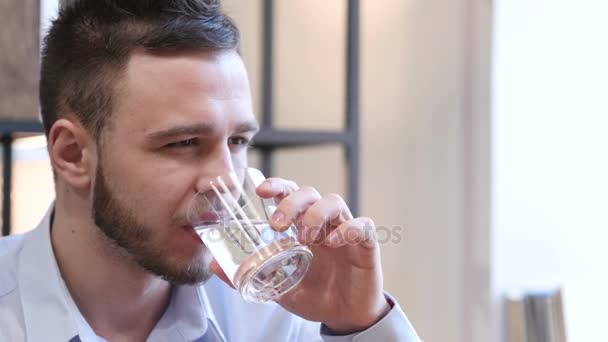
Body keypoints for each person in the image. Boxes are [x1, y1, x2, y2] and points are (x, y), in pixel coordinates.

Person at [0, 1, 420, 341]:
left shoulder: (276, 315)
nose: (229, 181)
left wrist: (361, 323)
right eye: (183, 143)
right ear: (73, 154)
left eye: (237, 142)